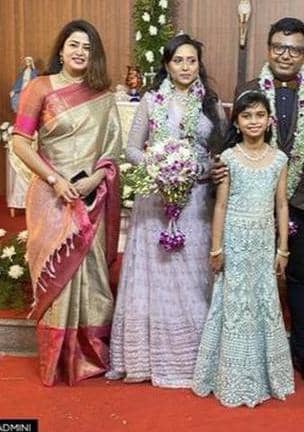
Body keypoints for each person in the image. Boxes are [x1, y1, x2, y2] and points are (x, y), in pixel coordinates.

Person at [214, 17, 304, 385]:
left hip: (301, 200)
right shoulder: (249, 88)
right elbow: (232, 139)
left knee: (297, 276)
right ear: (268, 49)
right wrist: (220, 169)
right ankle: (251, 350)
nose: (286, 55)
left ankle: (302, 354)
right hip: (253, 200)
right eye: (279, 47)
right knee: (252, 277)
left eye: (295, 49)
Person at [107, 34, 226, 388]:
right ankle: (147, 357)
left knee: (192, 278)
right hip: (155, 201)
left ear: (198, 64)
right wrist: (159, 166)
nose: (185, 67)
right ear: (166, 65)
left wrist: (195, 170)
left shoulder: (211, 104)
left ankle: (195, 359)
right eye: (178, 61)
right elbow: (131, 148)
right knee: (157, 273)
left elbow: (220, 155)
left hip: (196, 200)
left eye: (191, 60)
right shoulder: (151, 100)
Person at [11, 19, 121, 386]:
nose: (80, 52)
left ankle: (90, 355)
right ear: (61, 49)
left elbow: (112, 150)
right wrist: (55, 180)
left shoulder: (103, 96)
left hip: (91, 197)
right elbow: (20, 142)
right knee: (55, 269)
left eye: (87, 48)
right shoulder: (40, 87)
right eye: (74, 44)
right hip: (51, 195)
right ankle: (58, 358)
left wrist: (95, 179)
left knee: (92, 275)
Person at [192, 91, 294, 407]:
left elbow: (281, 205)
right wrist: (216, 248)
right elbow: (221, 205)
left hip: (263, 243)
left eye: (259, 115)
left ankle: (265, 376)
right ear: (236, 122)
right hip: (235, 240)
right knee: (234, 304)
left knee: (263, 301)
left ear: (269, 120)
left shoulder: (279, 159)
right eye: (246, 116)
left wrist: (283, 249)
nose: (253, 121)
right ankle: (230, 377)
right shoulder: (229, 158)